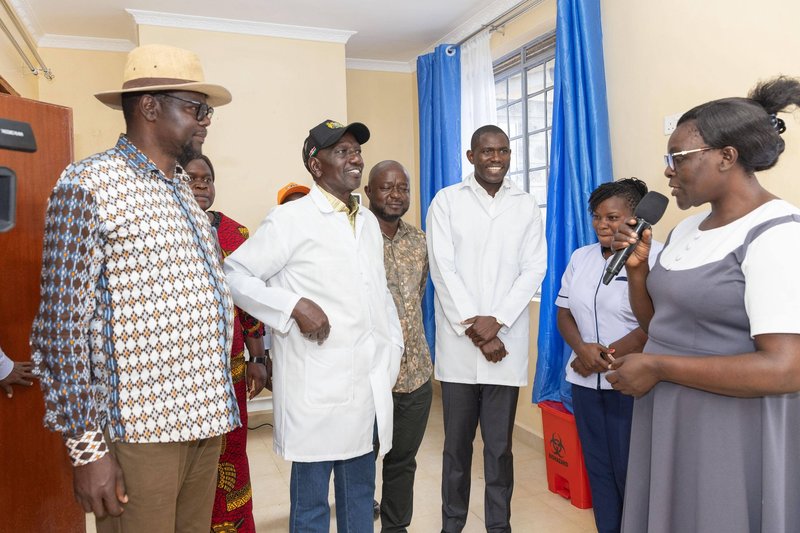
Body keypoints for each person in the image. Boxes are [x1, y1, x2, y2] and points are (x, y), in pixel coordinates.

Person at [30, 44, 239, 533]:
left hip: (206, 420)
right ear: (149, 107)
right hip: (141, 431)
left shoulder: (181, 187)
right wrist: (87, 450)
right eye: (196, 108)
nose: (206, 120)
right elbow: (59, 331)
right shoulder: (88, 184)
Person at [606, 76, 800, 533]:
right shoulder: (686, 230)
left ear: (726, 157)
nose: (668, 171)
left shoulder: (777, 234)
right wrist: (639, 273)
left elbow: (786, 369)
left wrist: (658, 367)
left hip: (729, 426)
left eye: (678, 158)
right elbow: (660, 326)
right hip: (670, 415)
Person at [223, 119, 403, 532]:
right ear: (316, 165)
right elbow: (234, 275)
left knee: (359, 500)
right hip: (317, 389)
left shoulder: (367, 222)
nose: (355, 158)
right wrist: (293, 305)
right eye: (342, 151)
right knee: (311, 508)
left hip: (366, 385)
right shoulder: (290, 219)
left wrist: (392, 349)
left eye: (356, 150)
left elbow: (377, 293)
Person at [427, 124, 547, 532]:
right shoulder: (447, 201)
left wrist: (499, 321)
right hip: (461, 348)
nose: (496, 159)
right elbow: (443, 269)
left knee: (499, 449)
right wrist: (479, 329)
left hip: (504, 347)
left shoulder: (525, 205)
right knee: (456, 449)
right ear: (471, 156)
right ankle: (452, 524)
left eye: (503, 151)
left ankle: (499, 526)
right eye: (487, 151)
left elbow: (534, 268)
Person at [555, 178, 661, 533]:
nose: (602, 224)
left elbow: (656, 323)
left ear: (636, 219)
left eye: (612, 217)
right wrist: (581, 350)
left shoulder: (657, 258)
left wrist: (602, 357)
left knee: (632, 472)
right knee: (598, 471)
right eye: (597, 216)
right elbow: (564, 312)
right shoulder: (581, 257)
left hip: (631, 384)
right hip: (585, 385)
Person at [183, 154, 267, 533]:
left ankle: (233, 524)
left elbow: (248, 303)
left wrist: (258, 358)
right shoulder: (167, 229)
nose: (201, 184)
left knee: (231, 452)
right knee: (188, 463)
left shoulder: (237, 233)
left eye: (207, 178)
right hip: (186, 373)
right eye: (192, 178)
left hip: (231, 370)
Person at [364, 160, 432, 532]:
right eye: (386, 187)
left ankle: (395, 527)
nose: (396, 194)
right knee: (361, 462)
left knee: (403, 462)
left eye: (402, 188)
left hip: (416, 375)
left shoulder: (419, 241)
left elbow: (417, 296)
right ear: (368, 192)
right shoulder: (355, 238)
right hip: (370, 377)